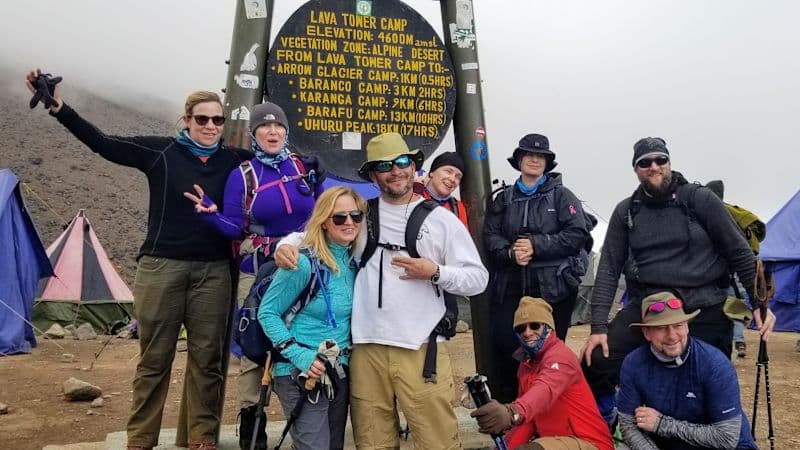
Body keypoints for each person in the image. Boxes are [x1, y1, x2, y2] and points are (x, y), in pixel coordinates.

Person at [25, 68, 251, 450]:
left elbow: (274, 160)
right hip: (161, 266)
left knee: (208, 361)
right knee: (154, 359)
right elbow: (104, 143)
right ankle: (141, 439)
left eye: (217, 119)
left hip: (214, 271)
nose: (211, 126)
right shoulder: (162, 151)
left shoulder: (234, 160)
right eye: (202, 118)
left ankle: (202, 438)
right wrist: (58, 106)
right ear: (187, 120)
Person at [275, 132, 489, 449]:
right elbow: (313, 232)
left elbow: (477, 278)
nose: (396, 170)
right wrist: (284, 246)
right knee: (373, 442)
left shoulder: (442, 221)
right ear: (374, 175)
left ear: (414, 167)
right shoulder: (360, 215)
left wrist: (436, 272)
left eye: (402, 162)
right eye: (384, 165)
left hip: (419, 348)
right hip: (365, 351)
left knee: (437, 441)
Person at [580, 137, 775, 426]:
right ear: (636, 169)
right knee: (595, 360)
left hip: (704, 303)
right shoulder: (627, 211)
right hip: (651, 307)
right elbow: (608, 266)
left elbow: (739, 251)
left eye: (660, 160)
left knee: (710, 378)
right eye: (645, 163)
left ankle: (718, 436)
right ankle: (613, 424)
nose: (654, 167)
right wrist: (597, 327)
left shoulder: (700, 199)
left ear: (669, 163)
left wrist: (760, 305)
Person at [183, 101, 323, 450]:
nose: (272, 132)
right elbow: (234, 228)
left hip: (306, 264)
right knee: (254, 343)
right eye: (264, 127)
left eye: (278, 127)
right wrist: (210, 215)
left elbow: (323, 212)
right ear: (254, 134)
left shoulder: (302, 167)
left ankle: (310, 416)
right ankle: (252, 421)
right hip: (261, 268)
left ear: (286, 132)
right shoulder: (244, 175)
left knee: (306, 333)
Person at [484, 133, 593, 403]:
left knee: (549, 350)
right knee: (506, 345)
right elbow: (490, 236)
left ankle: (550, 407)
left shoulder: (562, 196)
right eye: (528, 154)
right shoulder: (503, 198)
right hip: (510, 287)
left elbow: (577, 234)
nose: (534, 159)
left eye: (540, 155)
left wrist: (536, 245)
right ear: (519, 160)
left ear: (547, 162)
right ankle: (511, 411)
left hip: (554, 290)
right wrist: (511, 253)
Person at [257, 186, 364, 450]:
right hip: (298, 372)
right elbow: (267, 312)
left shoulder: (353, 263)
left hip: (337, 371)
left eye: (355, 215)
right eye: (339, 217)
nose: (349, 222)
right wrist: (301, 356)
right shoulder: (303, 264)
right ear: (324, 222)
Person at [617, 292, 758, 449]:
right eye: (661, 328)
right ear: (647, 333)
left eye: (678, 326)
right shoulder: (633, 363)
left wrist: (662, 424)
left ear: (687, 326)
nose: (672, 335)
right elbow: (628, 426)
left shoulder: (715, 364)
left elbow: (726, 438)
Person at [471, 297, 614, 450]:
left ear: (548, 328)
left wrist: (512, 412)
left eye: (534, 326)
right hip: (554, 442)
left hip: (590, 443)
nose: (527, 333)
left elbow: (545, 389)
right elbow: (527, 419)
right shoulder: (526, 365)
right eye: (521, 329)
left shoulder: (561, 357)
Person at [706, 179, 766, 359]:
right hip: (735, 273)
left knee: (719, 312)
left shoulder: (708, 214)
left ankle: (724, 348)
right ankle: (739, 342)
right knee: (736, 307)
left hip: (716, 276)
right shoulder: (734, 215)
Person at [413, 151, 469, 226]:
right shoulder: (413, 195)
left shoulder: (458, 208)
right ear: (431, 172)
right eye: (448, 171)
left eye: (458, 177)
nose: (452, 179)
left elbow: (462, 236)